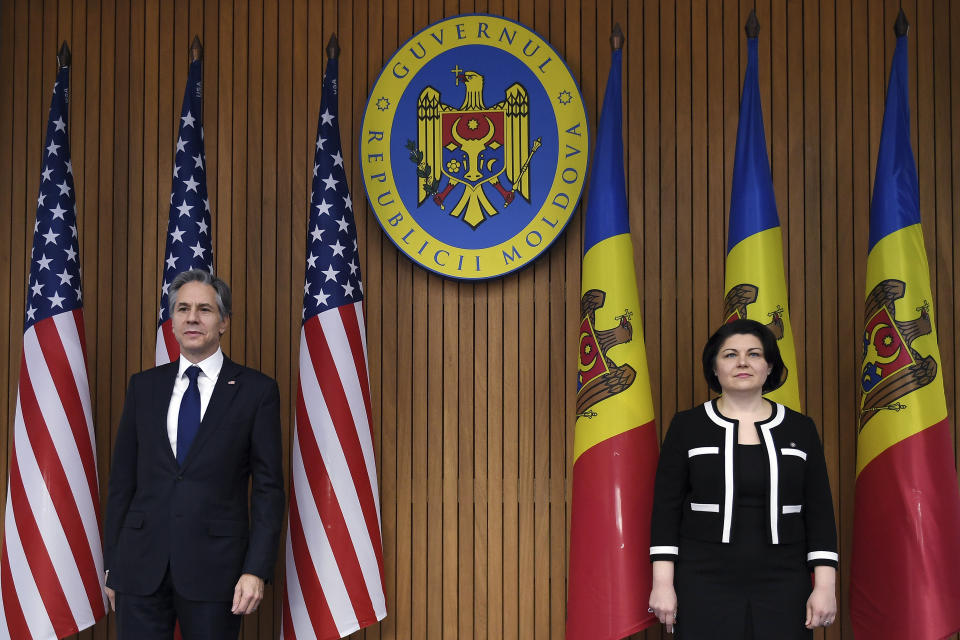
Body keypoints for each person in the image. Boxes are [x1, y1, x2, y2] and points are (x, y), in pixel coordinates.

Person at [103, 269, 285, 639]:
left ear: (223, 323)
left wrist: (256, 570)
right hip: (139, 570)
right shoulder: (144, 387)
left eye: (204, 309)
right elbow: (123, 482)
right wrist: (113, 565)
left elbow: (269, 490)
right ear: (171, 323)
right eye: (183, 309)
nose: (192, 318)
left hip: (216, 572)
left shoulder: (256, 391)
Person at [648, 319, 837, 638]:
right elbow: (665, 512)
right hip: (703, 579)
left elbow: (819, 512)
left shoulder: (800, 429)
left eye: (754, 354)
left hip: (784, 580)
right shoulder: (687, 427)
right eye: (730, 355)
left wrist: (825, 586)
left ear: (769, 366)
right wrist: (662, 584)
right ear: (714, 367)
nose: (743, 362)